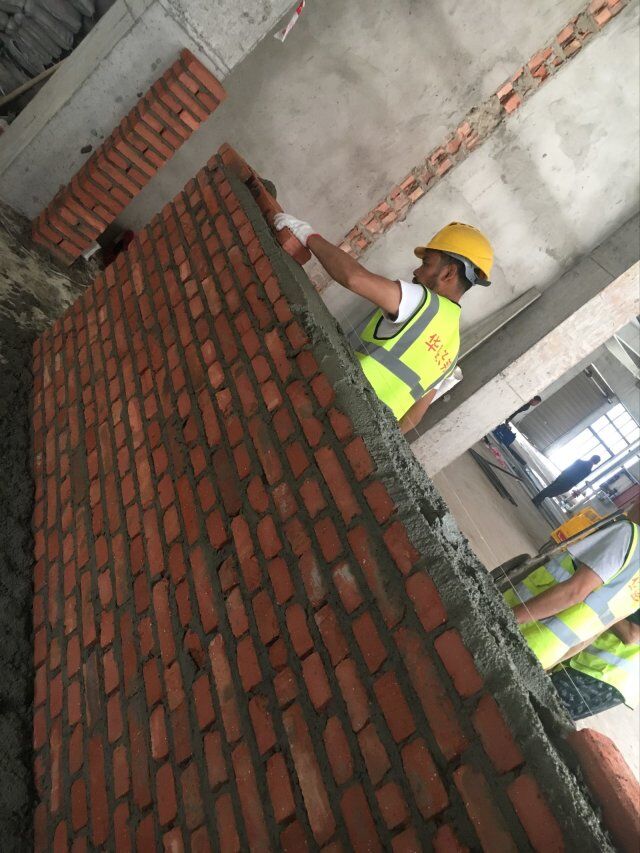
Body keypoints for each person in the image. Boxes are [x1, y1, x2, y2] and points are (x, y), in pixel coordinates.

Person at [273, 214, 493, 434]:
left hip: (327, 405)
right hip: (349, 439)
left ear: (448, 272)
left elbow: (354, 278)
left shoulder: (424, 303)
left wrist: (307, 234)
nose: (416, 272)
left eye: (426, 263)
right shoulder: (452, 348)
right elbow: (413, 417)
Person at [503, 517, 639, 670]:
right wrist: (547, 666)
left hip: (514, 624)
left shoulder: (629, 535)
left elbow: (574, 592)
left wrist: (505, 617)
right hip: (542, 653)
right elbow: (593, 635)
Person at [550, 610, 639, 720]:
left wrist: (600, 607)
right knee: (549, 716)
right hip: (603, 673)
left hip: (603, 674)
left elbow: (632, 634)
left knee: (545, 707)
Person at [532, 455, 601, 506]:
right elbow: (580, 479)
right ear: (596, 463)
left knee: (551, 488)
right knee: (553, 490)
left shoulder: (579, 461)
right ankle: (537, 500)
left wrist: (562, 474)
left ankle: (539, 499)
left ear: (591, 457)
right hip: (569, 482)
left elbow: (569, 468)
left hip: (564, 476)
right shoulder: (588, 470)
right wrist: (573, 484)